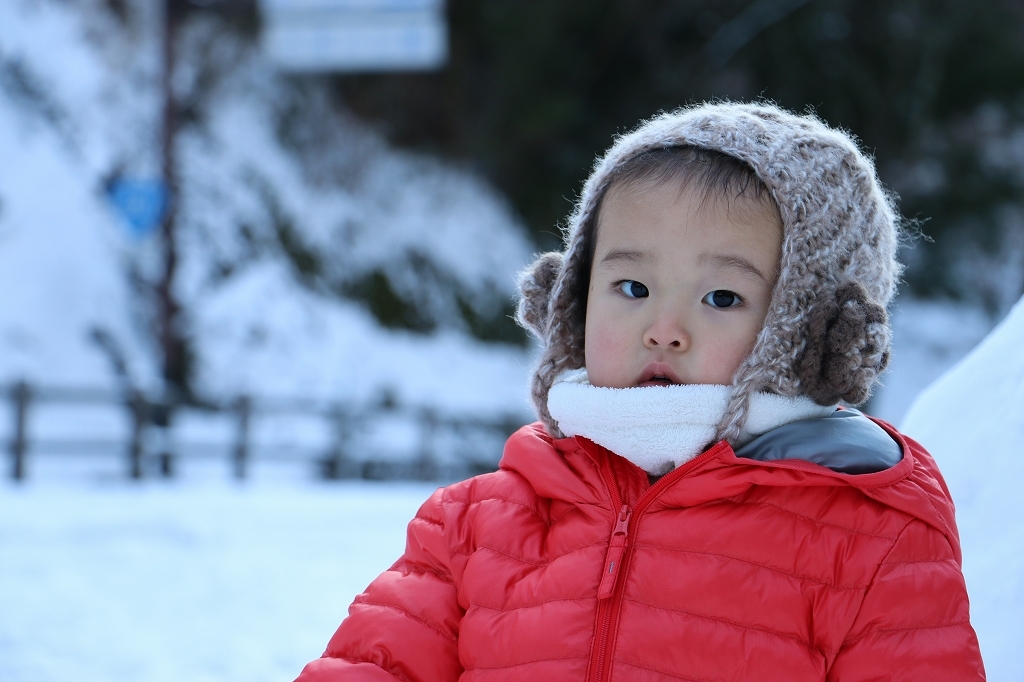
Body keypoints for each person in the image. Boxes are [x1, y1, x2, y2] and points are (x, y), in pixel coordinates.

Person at [295, 102, 985, 681]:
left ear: (815, 329)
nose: (663, 329)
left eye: (721, 297)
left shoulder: (870, 535)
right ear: (571, 300)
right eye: (631, 287)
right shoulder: (480, 524)